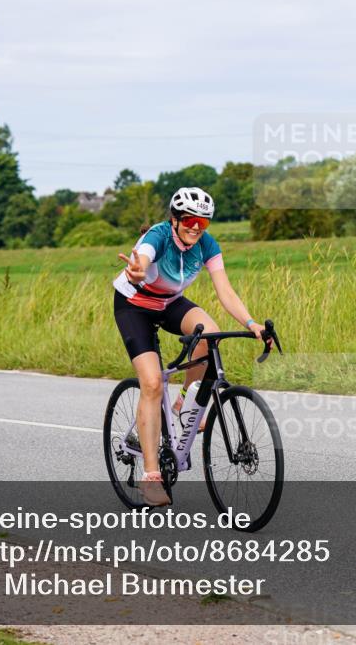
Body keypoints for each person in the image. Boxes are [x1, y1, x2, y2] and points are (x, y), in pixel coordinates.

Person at [113, 187, 268, 506]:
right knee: (153, 383)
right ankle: (151, 477)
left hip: (169, 302)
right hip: (134, 306)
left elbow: (225, 291)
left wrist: (251, 324)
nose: (196, 226)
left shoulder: (207, 245)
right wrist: (138, 269)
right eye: (189, 219)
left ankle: (185, 401)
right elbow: (142, 258)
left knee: (209, 334)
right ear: (175, 219)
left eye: (203, 221)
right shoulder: (158, 236)